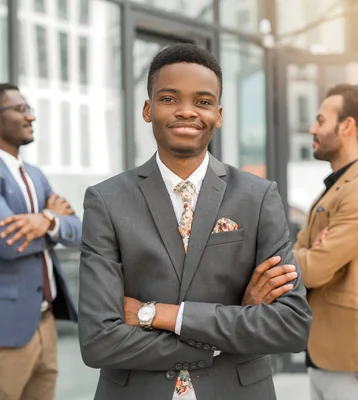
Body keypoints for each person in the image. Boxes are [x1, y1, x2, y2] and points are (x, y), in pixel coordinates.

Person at [78, 43, 312, 400]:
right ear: (147, 109)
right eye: (169, 98)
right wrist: (228, 329)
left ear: (218, 115)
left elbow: (291, 326)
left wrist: (155, 314)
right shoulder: (107, 200)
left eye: (202, 102)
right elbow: (98, 341)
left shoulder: (258, 196)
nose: (187, 111)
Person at [0, 83, 82, 400]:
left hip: (45, 325)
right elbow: (9, 242)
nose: (31, 117)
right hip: (0, 334)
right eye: (21, 109)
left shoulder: (35, 175)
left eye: (30, 110)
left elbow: (78, 230)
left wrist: (46, 221)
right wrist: (52, 221)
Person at [293, 84, 358, 400]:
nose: (312, 128)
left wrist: (311, 254)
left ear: (347, 126)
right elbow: (301, 251)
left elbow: (312, 269)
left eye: (321, 120)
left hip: (352, 355)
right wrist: (309, 253)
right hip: (325, 350)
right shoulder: (337, 187)